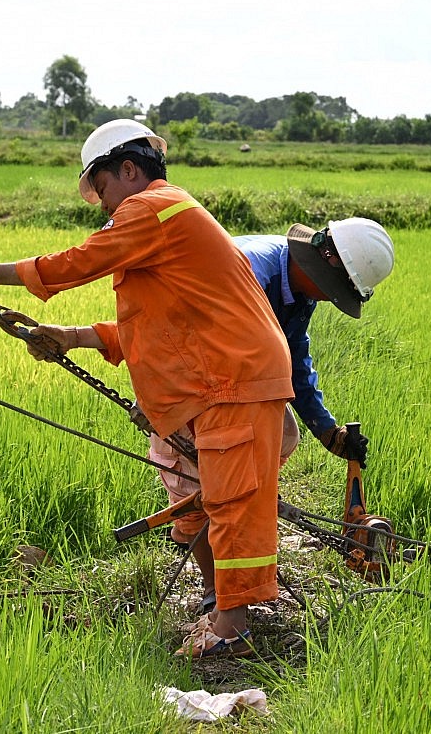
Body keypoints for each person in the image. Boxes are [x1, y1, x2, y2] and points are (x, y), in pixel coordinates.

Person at [0, 119, 294, 659]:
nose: (103, 205)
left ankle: (233, 630)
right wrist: (73, 337)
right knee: (198, 501)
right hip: (215, 377)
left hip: (232, 378)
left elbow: (83, 260)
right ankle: (218, 601)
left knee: (232, 500)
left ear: (129, 169)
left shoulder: (154, 207)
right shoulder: (163, 224)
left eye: (101, 188)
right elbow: (155, 325)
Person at [146, 217, 395, 614]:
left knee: (282, 436)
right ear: (322, 263)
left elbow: (293, 357)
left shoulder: (298, 290)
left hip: (233, 384)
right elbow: (169, 326)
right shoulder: (246, 271)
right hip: (185, 380)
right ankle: (218, 596)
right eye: (334, 292)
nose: (330, 299)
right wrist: (156, 394)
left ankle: (239, 516)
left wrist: (329, 432)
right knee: (194, 481)